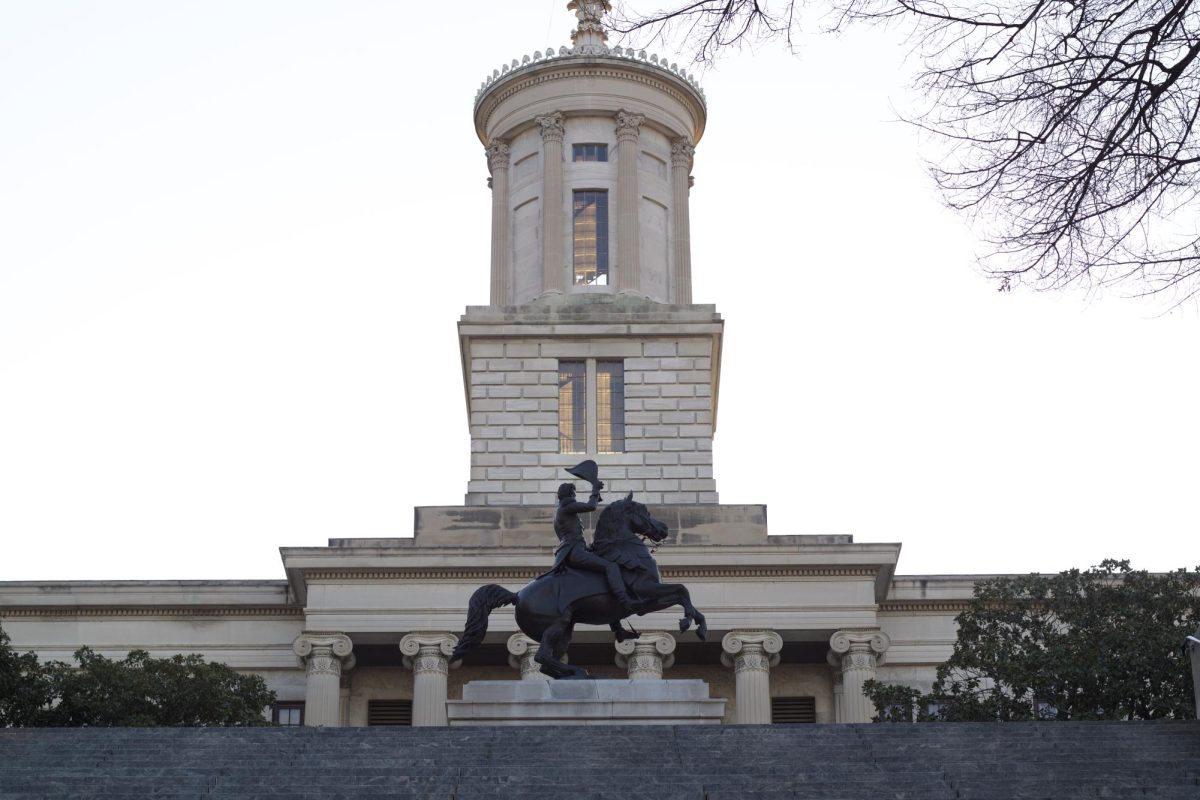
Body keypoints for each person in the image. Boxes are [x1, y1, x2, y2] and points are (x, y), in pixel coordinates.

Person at [553, 481, 640, 612]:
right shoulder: (566, 506)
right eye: (574, 493)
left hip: (576, 549)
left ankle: (616, 624)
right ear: (569, 494)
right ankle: (624, 600)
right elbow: (590, 506)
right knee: (611, 566)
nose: (575, 496)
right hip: (574, 552)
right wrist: (595, 489)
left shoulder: (562, 510)